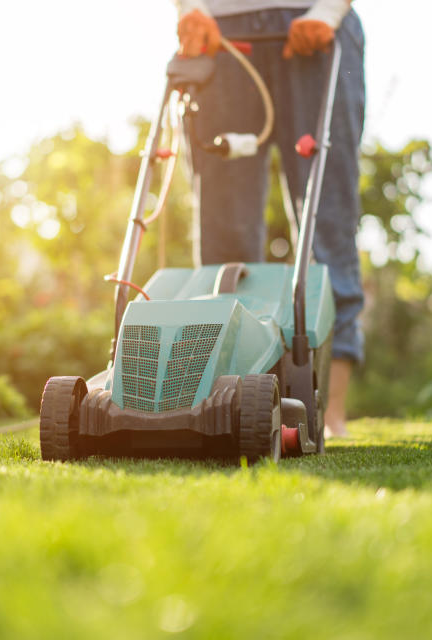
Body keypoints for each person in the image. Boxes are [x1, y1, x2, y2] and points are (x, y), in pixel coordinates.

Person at [175, 0, 365, 437]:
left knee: (325, 218)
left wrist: (330, 12)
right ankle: (224, 400)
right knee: (225, 231)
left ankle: (329, 410)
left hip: (315, 23)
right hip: (219, 29)